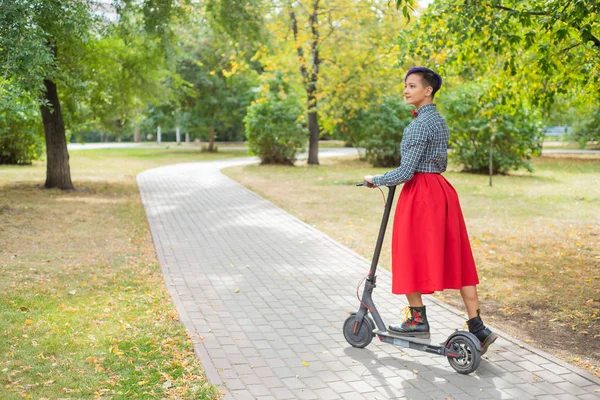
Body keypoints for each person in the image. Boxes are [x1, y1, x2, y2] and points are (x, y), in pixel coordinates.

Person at [363, 67, 497, 354]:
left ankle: (417, 320)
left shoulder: (418, 126)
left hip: (421, 196)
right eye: (406, 86)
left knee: (408, 252)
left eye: (412, 86)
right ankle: (477, 327)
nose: (406, 90)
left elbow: (405, 172)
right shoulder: (439, 121)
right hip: (442, 192)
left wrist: (376, 180)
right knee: (458, 255)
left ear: (428, 91)